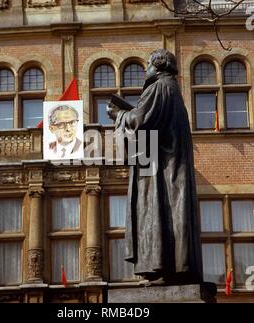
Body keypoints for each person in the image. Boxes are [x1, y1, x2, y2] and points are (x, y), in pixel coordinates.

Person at [107, 49, 203, 285]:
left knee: (158, 211)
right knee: (159, 213)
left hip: (162, 171)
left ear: (158, 66)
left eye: (148, 64)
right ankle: (165, 268)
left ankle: (162, 266)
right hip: (163, 164)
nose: (145, 69)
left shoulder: (160, 87)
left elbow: (140, 122)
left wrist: (119, 114)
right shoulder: (171, 89)